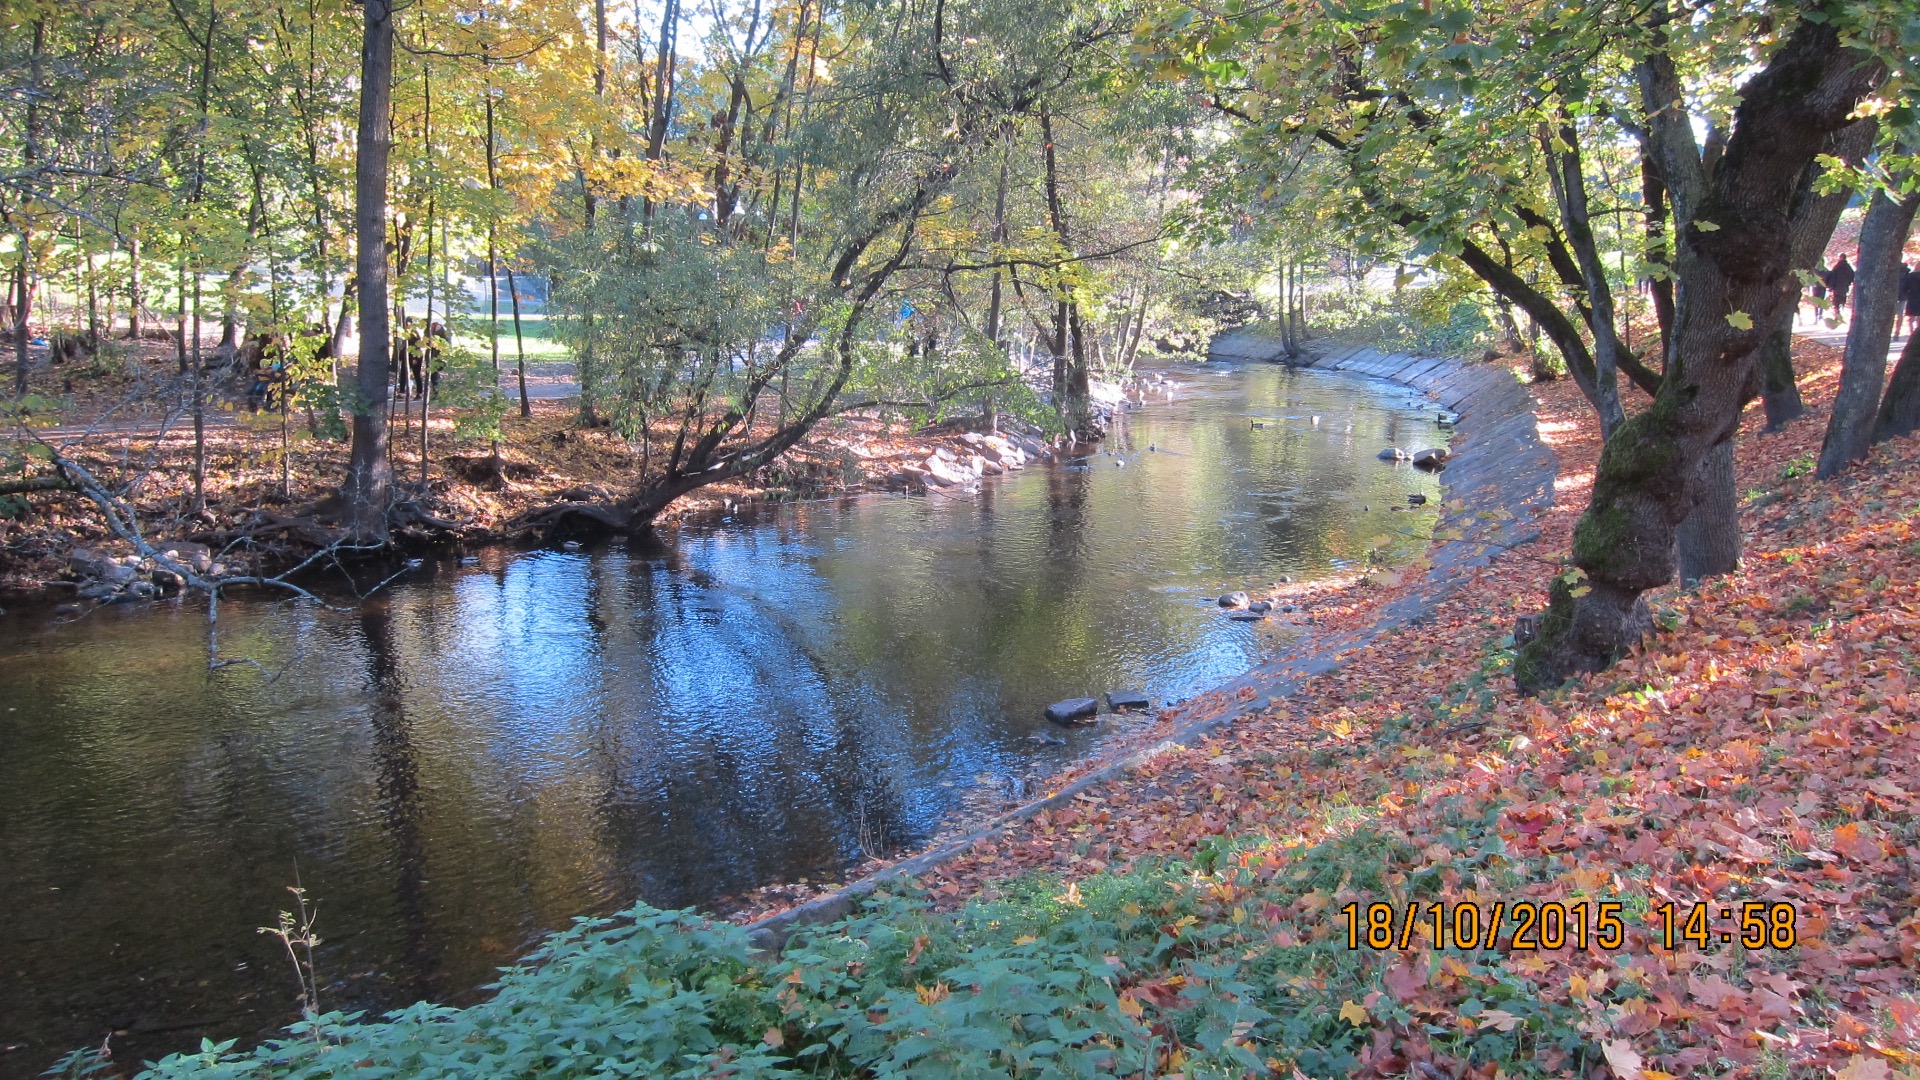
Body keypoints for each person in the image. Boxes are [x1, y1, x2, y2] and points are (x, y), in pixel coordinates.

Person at [1828, 255, 1856, 321]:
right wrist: (1849, 283)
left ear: (1840, 258)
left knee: (1836, 302)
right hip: (1845, 287)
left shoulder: (1837, 267)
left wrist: (1830, 286)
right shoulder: (1849, 268)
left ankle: (1837, 313)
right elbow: (1852, 276)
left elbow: (1833, 277)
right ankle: (1841, 311)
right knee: (1843, 299)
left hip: (1837, 287)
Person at [1901, 260, 1919, 337]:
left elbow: (1904, 287)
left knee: (1911, 319)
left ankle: (1912, 333)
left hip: (1912, 298)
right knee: (1919, 319)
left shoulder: (1910, 276)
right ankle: (1918, 334)